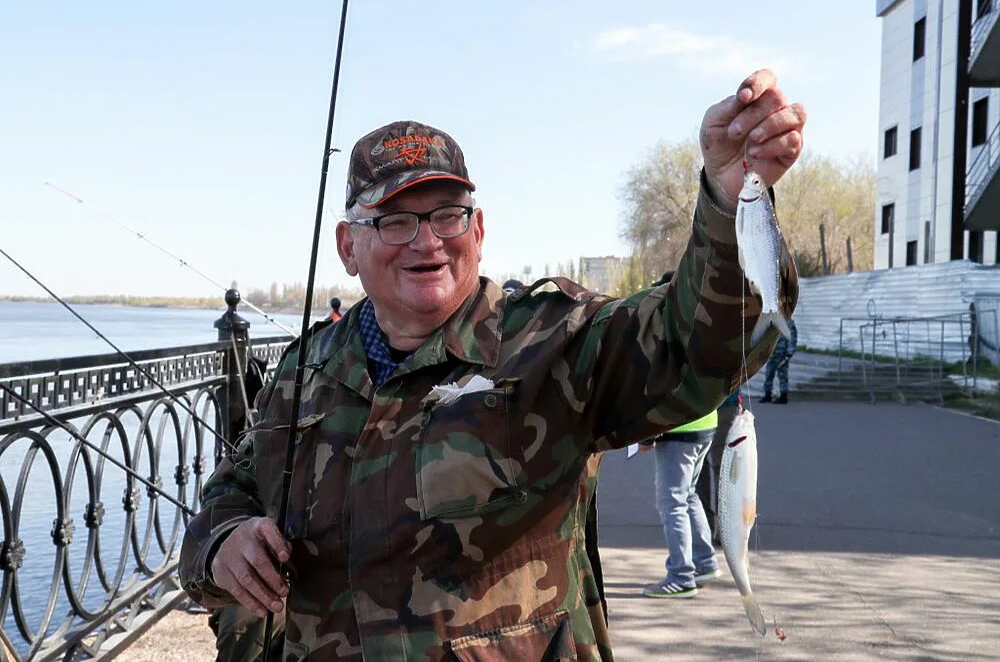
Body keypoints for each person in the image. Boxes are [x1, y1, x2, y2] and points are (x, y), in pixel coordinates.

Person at [179, 69, 805, 660]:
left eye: (447, 215)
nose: (427, 242)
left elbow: (696, 344)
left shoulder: (555, 338)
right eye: (395, 221)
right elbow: (231, 491)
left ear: (478, 230)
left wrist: (729, 204)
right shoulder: (301, 372)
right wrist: (221, 542)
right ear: (348, 247)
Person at [638, 409, 721, 599]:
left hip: (677, 427)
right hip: (705, 421)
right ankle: (704, 562)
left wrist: (646, 434)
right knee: (688, 495)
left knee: (672, 503)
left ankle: (681, 577)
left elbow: (660, 384)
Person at [695, 386, 743, 544]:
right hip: (725, 403)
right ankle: (724, 529)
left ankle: (706, 528)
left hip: (700, 405)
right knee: (722, 470)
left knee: (703, 469)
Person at [760, 315, 798, 403]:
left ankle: (783, 396)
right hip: (771, 353)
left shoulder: (789, 322)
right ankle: (767, 394)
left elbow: (792, 338)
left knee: (782, 375)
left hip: (782, 353)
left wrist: (789, 353)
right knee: (769, 373)